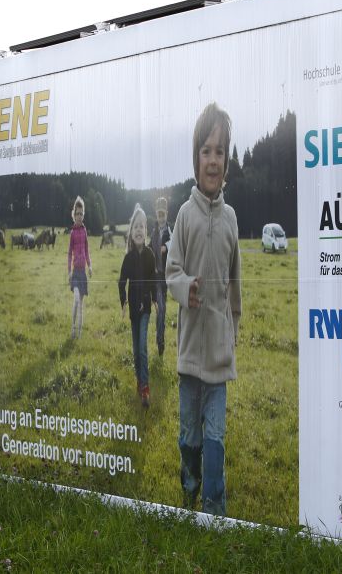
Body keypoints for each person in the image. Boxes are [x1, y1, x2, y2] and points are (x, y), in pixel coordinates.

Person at [165, 102, 242, 516]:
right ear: (196, 158)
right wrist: (184, 288)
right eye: (206, 151)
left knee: (215, 438)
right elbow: (171, 270)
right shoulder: (184, 216)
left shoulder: (230, 218)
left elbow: (235, 285)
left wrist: (235, 326)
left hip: (219, 358)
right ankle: (188, 491)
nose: (213, 160)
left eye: (220, 152)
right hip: (190, 356)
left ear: (227, 161)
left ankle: (215, 510)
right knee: (189, 438)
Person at [118, 204, 157, 408]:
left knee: (142, 347)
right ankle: (139, 382)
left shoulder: (150, 255)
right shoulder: (128, 258)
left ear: (146, 230)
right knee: (135, 351)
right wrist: (123, 301)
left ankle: (145, 387)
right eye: (136, 227)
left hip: (145, 311)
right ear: (131, 232)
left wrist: (155, 300)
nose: (139, 230)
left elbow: (154, 278)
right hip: (133, 309)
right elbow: (121, 281)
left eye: (142, 226)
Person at [149, 196, 172, 357]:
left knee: (162, 310)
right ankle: (160, 341)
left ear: (167, 214)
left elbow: (176, 243)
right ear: (156, 215)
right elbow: (149, 249)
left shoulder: (170, 231)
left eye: (163, 214)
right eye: (159, 214)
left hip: (166, 277)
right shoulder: (154, 231)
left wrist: (166, 246)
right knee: (161, 308)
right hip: (156, 276)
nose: (161, 217)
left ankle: (160, 338)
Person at [67, 196, 92, 339]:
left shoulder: (84, 231)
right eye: (77, 213)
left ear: (83, 215)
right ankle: (73, 328)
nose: (79, 216)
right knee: (76, 299)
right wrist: (69, 271)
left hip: (83, 273)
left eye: (81, 213)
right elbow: (69, 253)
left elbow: (87, 250)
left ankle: (80, 333)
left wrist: (90, 266)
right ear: (73, 214)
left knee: (81, 303)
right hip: (75, 273)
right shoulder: (72, 233)